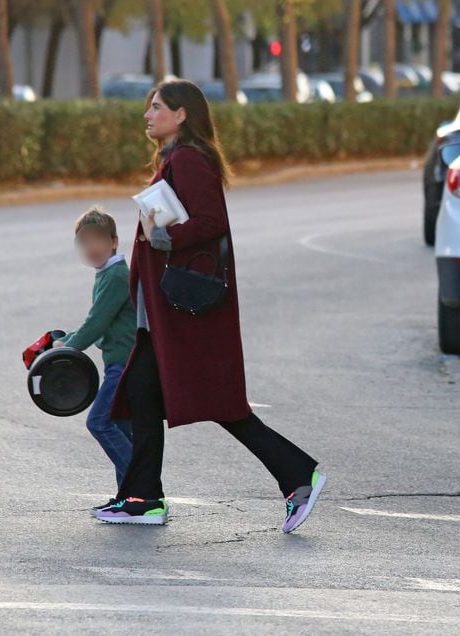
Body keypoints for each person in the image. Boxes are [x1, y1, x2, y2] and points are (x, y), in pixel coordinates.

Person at [93, 79, 325, 530]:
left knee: (220, 403)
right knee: (143, 395)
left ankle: (298, 475)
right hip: (164, 315)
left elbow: (212, 221)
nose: (148, 115)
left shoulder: (188, 160)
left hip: (185, 315)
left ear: (181, 115)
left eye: (156, 107)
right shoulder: (174, 159)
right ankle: (143, 499)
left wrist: (166, 237)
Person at [54, 206, 135, 489]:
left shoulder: (115, 276)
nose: (92, 247)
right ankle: (129, 495)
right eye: (85, 242)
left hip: (124, 364)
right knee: (123, 428)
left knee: (100, 423)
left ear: (114, 241)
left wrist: (66, 349)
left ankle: (142, 488)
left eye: (98, 240)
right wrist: (66, 339)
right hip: (119, 362)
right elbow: (97, 318)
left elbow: (97, 323)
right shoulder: (107, 273)